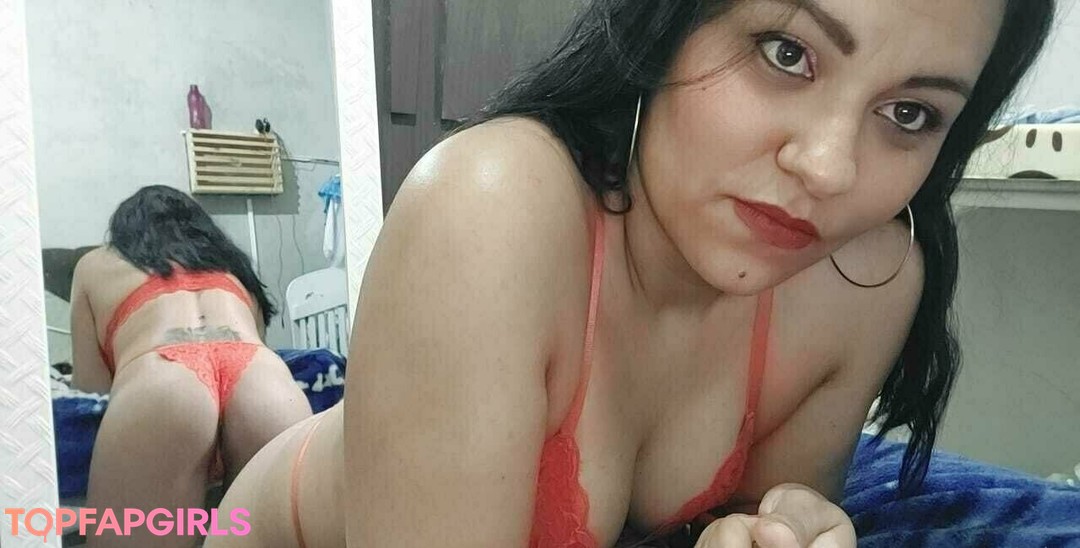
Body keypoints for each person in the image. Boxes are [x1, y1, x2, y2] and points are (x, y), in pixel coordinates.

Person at [209, 1, 1054, 547]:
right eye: (786, 52)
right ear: (666, 22)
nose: (829, 168)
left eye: (910, 113)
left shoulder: (865, 284)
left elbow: (764, 512)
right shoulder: (488, 210)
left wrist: (780, 528)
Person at [70, 185, 312, 548]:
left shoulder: (94, 264)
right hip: (263, 382)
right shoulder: (231, 266)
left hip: (162, 382)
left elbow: (91, 388)